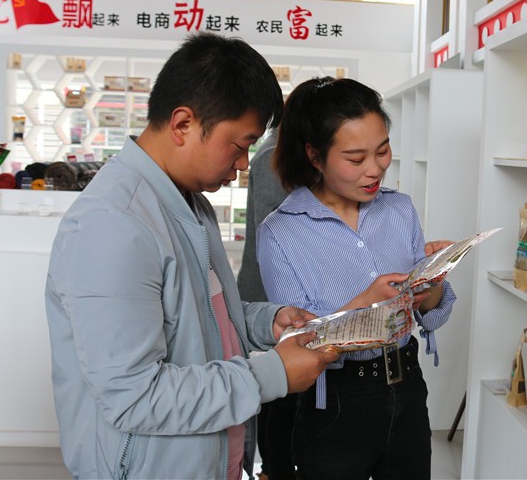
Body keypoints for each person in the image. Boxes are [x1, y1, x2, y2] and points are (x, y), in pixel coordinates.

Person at [45, 32, 337, 480]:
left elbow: (196, 318)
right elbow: (135, 396)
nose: (244, 164)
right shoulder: (114, 226)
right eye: (239, 145)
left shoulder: (189, 203)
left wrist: (266, 322)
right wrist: (272, 374)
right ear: (183, 124)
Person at [256, 77, 457, 480]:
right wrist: (365, 303)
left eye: (382, 150)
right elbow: (299, 341)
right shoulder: (281, 232)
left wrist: (432, 283)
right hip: (336, 402)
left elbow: (432, 313)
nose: (375, 168)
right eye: (355, 158)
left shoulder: (400, 209)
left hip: (407, 385)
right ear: (315, 156)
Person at [237, 126, 294, 480]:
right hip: (268, 300)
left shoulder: (279, 154)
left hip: (274, 301)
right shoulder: (272, 158)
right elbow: (274, 233)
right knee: (279, 399)